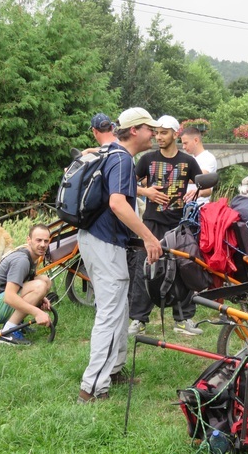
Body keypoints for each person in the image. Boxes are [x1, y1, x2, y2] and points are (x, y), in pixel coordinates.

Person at [77, 107, 162, 403]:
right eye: (150, 128)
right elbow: (117, 203)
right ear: (136, 130)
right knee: (110, 313)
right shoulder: (123, 159)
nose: (154, 134)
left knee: (117, 308)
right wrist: (149, 237)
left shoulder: (110, 152)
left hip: (94, 238)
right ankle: (92, 388)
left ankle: (113, 370)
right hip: (104, 242)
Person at [128, 115, 204, 337]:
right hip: (151, 224)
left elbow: (205, 186)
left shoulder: (188, 161)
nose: (158, 137)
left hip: (180, 226)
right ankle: (138, 320)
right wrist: (145, 191)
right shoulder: (147, 159)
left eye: (163, 133)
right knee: (144, 269)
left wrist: (196, 190)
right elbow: (128, 182)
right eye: (156, 133)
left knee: (185, 269)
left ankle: (183, 320)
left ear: (175, 134)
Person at [0, 224, 53, 346]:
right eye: (38, 240)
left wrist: (40, 298)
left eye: (46, 241)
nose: (43, 244)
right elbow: (9, 296)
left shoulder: (32, 256)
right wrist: (37, 312)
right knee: (40, 285)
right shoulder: (21, 260)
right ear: (28, 240)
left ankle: (16, 323)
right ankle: (8, 332)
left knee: (45, 281)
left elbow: (24, 283)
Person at [181, 126, 217, 205]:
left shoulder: (208, 158)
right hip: (187, 206)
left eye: (185, 143)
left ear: (196, 140)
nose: (183, 147)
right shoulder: (191, 159)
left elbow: (201, 178)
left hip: (199, 207)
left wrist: (176, 176)